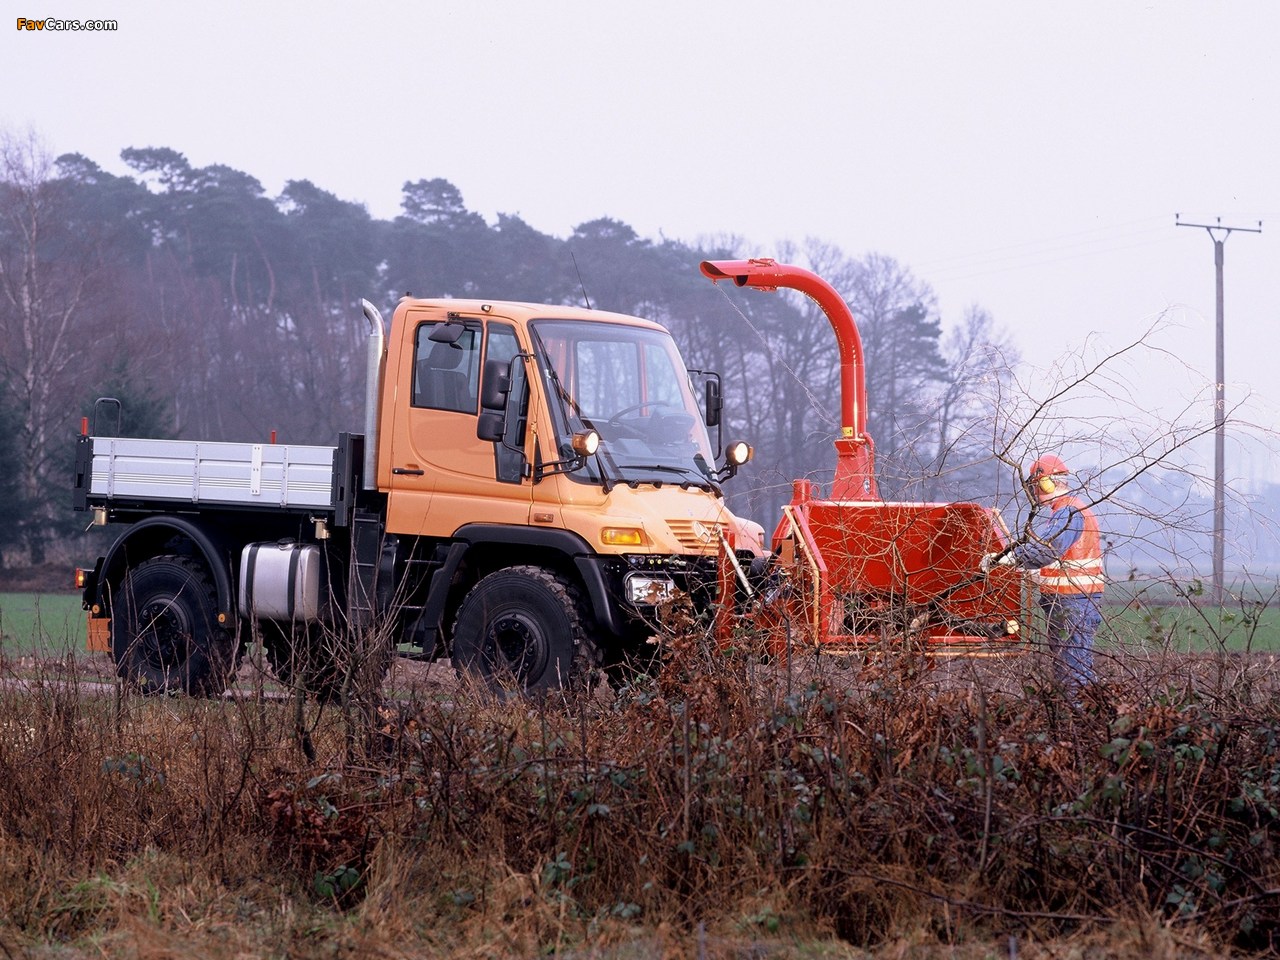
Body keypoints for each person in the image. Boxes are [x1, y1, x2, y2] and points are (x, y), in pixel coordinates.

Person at [981, 455, 1105, 690]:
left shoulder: (1068, 513)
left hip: (1072, 604)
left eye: (1036, 484)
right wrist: (1036, 575)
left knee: (1071, 671)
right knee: (1070, 667)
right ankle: (1083, 717)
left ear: (1046, 482)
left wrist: (1009, 558)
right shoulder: (1065, 511)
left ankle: (1077, 720)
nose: (1035, 491)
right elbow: (1061, 561)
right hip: (1071, 601)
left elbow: (1049, 549)